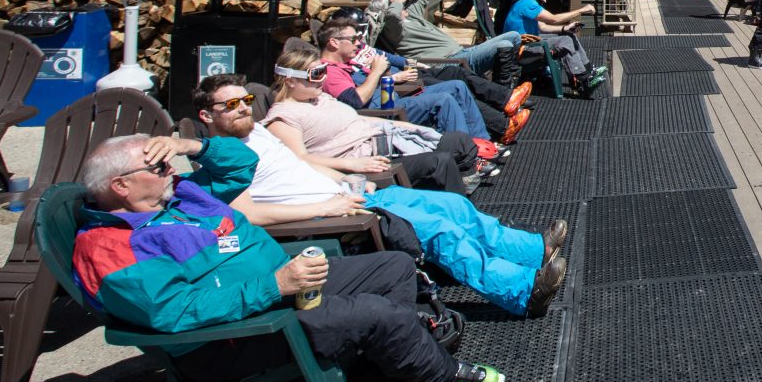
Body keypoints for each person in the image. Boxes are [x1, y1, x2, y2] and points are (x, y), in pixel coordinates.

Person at [70, 130, 503, 382]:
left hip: (279, 291)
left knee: (392, 266)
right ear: (121, 185)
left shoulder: (181, 195)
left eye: (167, 161)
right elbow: (172, 310)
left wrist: (190, 145)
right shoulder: (109, 245)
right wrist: (275, 287)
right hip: (235, 337)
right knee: (375, 312)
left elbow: (242, 163)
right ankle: (444, 377)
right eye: (158, 165)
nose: (170, 168)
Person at [194, 75, 567, 316]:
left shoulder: (257, 134)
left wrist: (347, 177)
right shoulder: (217, 164)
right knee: (438, 231)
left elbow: (302, 166)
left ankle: (532, 250)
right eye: (229, 105)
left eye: (243, 99)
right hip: (324, 216)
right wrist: (327, 205)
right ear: (206, 116)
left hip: (348, 197)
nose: (242, 107)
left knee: (452, 205)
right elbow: (248, 216)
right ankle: (521, 291)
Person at [263, 44, 480, 192]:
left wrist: (404, 126)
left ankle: (452, 192)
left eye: (323, 72)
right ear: (290, 81)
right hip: (366, 163)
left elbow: (359, 120)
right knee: (440, 162)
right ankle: (457, 211)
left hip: (383, 142)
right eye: (315, 75)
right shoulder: (283, 118)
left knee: (460, 141)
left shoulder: (321, 98)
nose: (322, 80)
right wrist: (353, 164)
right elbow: (300, 160)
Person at [313, 22, 501, 148]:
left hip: (392, 97)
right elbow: (355, 100)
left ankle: (482, 144)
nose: (358, 43)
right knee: (443, 100)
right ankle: (466, 153)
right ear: (333, 43)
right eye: (353, 40)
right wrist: (377, 71)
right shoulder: (330, 72)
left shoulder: (349, 62)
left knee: (456, 85)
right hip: (383, 112)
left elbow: (383, 74)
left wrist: (386, 73)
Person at [368, 0, 524, 85]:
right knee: (505, 45)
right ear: (388, 9)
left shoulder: (410, 14)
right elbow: (392, 16)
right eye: (397, 2)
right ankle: (505, 93)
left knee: (513, 36)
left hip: (463, 51)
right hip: (450, 62)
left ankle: (500, 90)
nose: (402, 4)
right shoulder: (392, 27)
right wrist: (397, 1)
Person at [495, 0, 607, 96]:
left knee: (569, 36)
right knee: (564, 42)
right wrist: (582, 10)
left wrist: (564, 28)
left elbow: (542, 27)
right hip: (520, 49)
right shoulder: (526, 3)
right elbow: (554, 19)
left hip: (528, 42)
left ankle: (588, 72)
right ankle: (582, 82)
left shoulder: (527, 0)